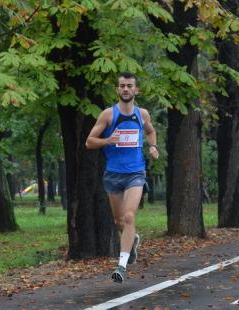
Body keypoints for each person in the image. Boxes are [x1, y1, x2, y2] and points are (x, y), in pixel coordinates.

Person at [86, 72, 159, 283]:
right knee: (119, 221)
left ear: (136, 90)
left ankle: (121, 265)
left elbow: (151, 132)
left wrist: (153, 146)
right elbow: (89, 142)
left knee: (128, 216)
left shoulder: (142, 114)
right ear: (117, 90)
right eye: (122, 86)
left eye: (130, 86)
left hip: (136, 173)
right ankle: (133, 239)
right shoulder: (108, 115)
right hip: (113, 174)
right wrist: (108, 140)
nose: (126, 89)